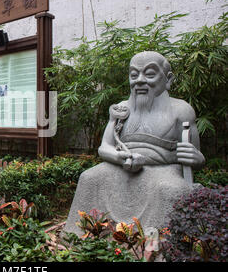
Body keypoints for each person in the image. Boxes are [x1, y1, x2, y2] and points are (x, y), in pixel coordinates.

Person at [64, 51, 205, 234]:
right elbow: (104, 147)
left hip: (164, 169)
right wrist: (120, 157)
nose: (139, 80)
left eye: (149, 74)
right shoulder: (122, 108)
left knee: (171, 190)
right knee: (89, 178)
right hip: (123, 165)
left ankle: (158, 244)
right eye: (134, 74)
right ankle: (79, 236)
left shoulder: (181, 110)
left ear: (168, 79)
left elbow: (198, 159)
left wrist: (196, 157)